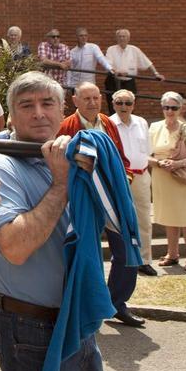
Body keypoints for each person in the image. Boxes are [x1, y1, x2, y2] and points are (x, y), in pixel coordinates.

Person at [0, 71, 101, 371]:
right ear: (11, 117)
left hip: (77, 319)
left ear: (63, 112)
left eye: (48, 103)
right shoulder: (0, 166)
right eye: (26, 105)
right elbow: (15, 248)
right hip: (28, 327)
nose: (39, 113)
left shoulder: (73, 158)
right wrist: (61, 184)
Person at [56, 81, 143, 327]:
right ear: (75, 101)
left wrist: (122, 180)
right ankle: (84, 306)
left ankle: (117, 304)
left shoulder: (108, 123)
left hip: (113, 199)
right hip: (82, 200)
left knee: (127, 249)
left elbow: (121, 159)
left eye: (96, 98)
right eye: (86, 99)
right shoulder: (66, 127)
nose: (93, 103)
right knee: (84, 253)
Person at [149, 91, 186, 271]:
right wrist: (158, 162)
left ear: (180, 109)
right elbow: (144, 155)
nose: (170, 111)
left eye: (174, 108)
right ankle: (172, 254)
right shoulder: (154, 127)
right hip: (161, 176)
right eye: (166, 107)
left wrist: (177, 164)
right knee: (168, 217)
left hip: (182, 178)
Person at [109, 90, 154, 275]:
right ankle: (124, 259)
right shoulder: (108, 123)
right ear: (113, 104)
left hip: (142, 176)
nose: (123, 107)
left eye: (128, 103)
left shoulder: (142, 122)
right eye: (119, 103)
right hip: (119, 177)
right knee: (119, 220)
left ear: (133, 105)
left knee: (144, 219)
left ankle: (144, 260)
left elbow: (147, 151)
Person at [103, 28, 165, 110]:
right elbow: (108, 64)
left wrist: (156, 74)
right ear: (116, 38)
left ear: (128, 38)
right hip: (114, 81)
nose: (122, 38)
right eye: (120, 36)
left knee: (129, 104)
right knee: (113, 106)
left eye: (124, 36)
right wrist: (116, 71)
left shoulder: (134, 50)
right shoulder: (111, 49)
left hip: (129, 82)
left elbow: (147, 62)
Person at [67, 27, 113, 92]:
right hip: (76, 84)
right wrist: (68, 84)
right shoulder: (72, 51)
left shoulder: (93, 47)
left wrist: (110, 69)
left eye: (85, 35)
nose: (84, 37)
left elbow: (101, 59)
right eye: (81, 36)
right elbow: (70, 69)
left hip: (89, 83)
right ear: (77, 37)